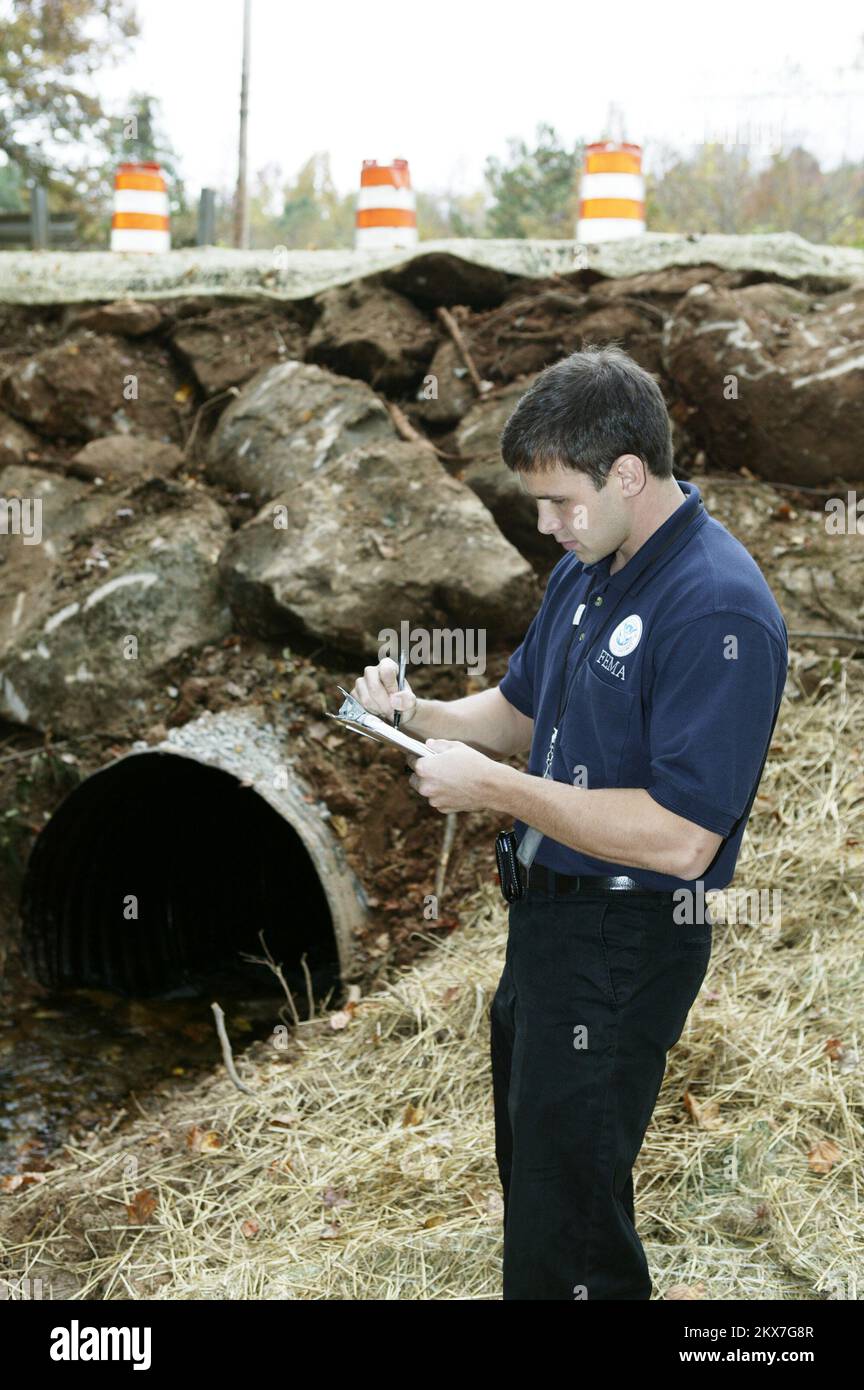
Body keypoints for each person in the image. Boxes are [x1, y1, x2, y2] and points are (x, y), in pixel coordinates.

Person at [350, 344, 789, 1300]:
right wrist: (416, 717)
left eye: (558, 502)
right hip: (549, 925)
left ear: (628, 473)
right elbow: (517, 714)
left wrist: (499, 793)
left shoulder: (717, 607)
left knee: (572, 1233)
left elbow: (684, 837)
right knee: (546, 1192)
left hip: (625, 942)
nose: (545, 525)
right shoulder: (592, 567)